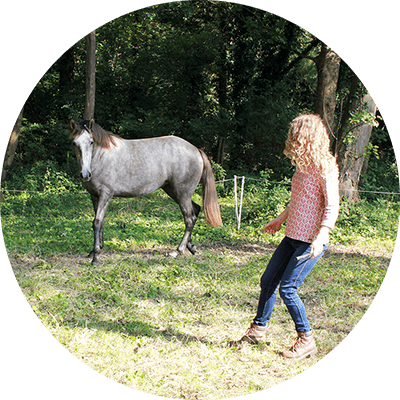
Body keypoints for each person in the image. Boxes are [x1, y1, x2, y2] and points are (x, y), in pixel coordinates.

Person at [231, 114, 340, 360]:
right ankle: (257, 331)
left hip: (310, 240)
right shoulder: (303, 167)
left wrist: (322, 235)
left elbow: (332, 206)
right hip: (292, 236)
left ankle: (306, 340)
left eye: (296, 137)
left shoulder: (326, 168)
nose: (292, 141)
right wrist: (281, 219)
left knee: (288, 289)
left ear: (309, 138)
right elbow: (299, 200)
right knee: (268, 280)